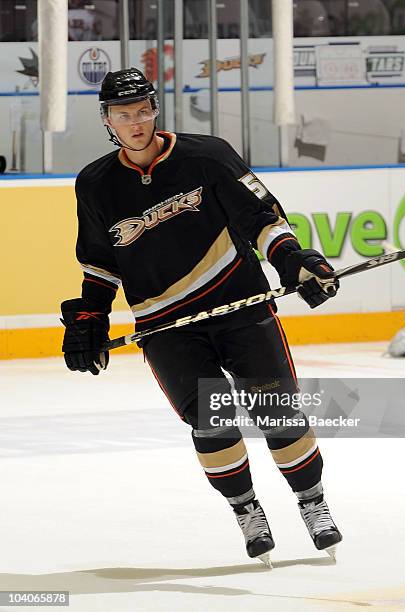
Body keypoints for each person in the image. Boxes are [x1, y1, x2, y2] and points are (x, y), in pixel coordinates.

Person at [61, 68, 342, 567]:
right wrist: (90, 318)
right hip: (166, 329)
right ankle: (247, 510)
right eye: (124, 115)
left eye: (143, 110)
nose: (137, 122)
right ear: (107, 121)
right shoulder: (95, 184)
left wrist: (293, 262)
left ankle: (312, 502)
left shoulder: (207, 156)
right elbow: (100, 265)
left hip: (240, 308)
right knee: (212, 424)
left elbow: (261, 221)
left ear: (154, 109)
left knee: (277, 413)